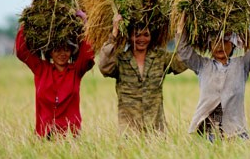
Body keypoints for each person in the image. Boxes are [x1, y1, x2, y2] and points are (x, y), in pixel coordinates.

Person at [176, 1, 250, 142]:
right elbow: (183, 51)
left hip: (236, 132)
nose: (220, 47)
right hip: (206, 134)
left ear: (233, 44)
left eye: (225, 42)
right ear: (209, 45)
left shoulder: (241, 65)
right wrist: (182, 20)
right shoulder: (202, 65)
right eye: (215, 42)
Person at [99, 14, 187, 135]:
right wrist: (114, 34)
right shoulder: (121, 60)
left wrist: (180, 33)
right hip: (128, 130)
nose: (142, 39)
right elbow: (104, 67)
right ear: (129, 37)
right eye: (137, 35)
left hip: (156, 129)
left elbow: (182, 62)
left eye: (146, 35)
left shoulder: (160, 58)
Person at [15, 11, 95, 139]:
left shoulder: (76, 71)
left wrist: (86, 23)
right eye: (57, 49)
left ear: (72, 52)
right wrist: (27, 21)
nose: (62, 54)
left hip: (70, 135)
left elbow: (88, 55)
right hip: (44, 134)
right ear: (50, 52)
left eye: (66, 49)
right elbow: (21, 51)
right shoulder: (41, 69)